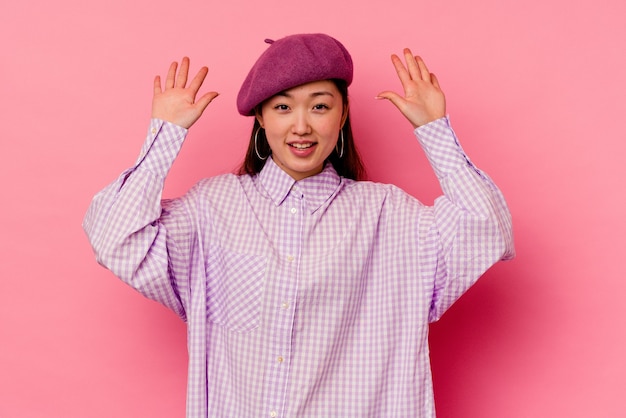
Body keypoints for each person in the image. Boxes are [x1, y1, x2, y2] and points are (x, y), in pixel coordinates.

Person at [83, 33, 514, 418]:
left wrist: (434, 131)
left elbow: (486, 230)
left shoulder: (390, 216)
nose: (301, 125)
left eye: (320, 106)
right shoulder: (212, 208)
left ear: (342, 115)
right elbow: (116, 240)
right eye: (283, 107)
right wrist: (165, 135)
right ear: (262, 119)